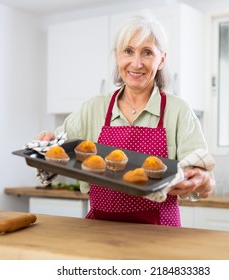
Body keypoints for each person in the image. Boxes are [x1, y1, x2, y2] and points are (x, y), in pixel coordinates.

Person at [36, 13, 215, 227]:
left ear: (162, 60)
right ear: (117, 56)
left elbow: (205, 184)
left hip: (160, 233)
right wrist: (46, 147)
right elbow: (57, 156)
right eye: (128, 51)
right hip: (100, 230)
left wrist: (202, 181)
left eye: (147, 52)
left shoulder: (179, 111)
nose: (136, 63)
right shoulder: (93, 108)